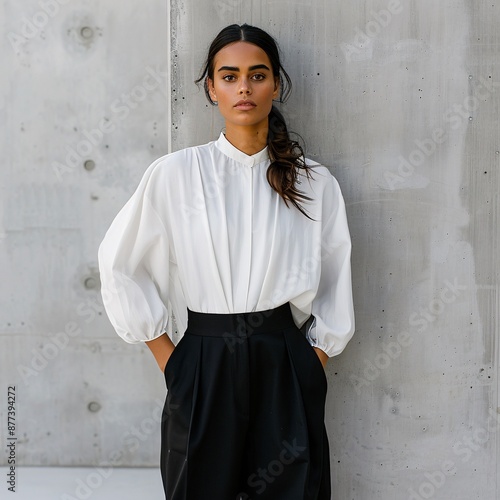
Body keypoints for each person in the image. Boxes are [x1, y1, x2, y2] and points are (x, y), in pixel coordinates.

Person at [98, 23, 355, 500]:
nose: (244, 87)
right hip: (202, 358)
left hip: (285, 359)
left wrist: (310, 362)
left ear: (276, 84)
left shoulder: (314, 182)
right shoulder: (174, 174)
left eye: (257, 75)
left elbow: (336, 278)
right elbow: (119, 263)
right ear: (211, 87)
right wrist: (172, 362)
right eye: (230, 75)